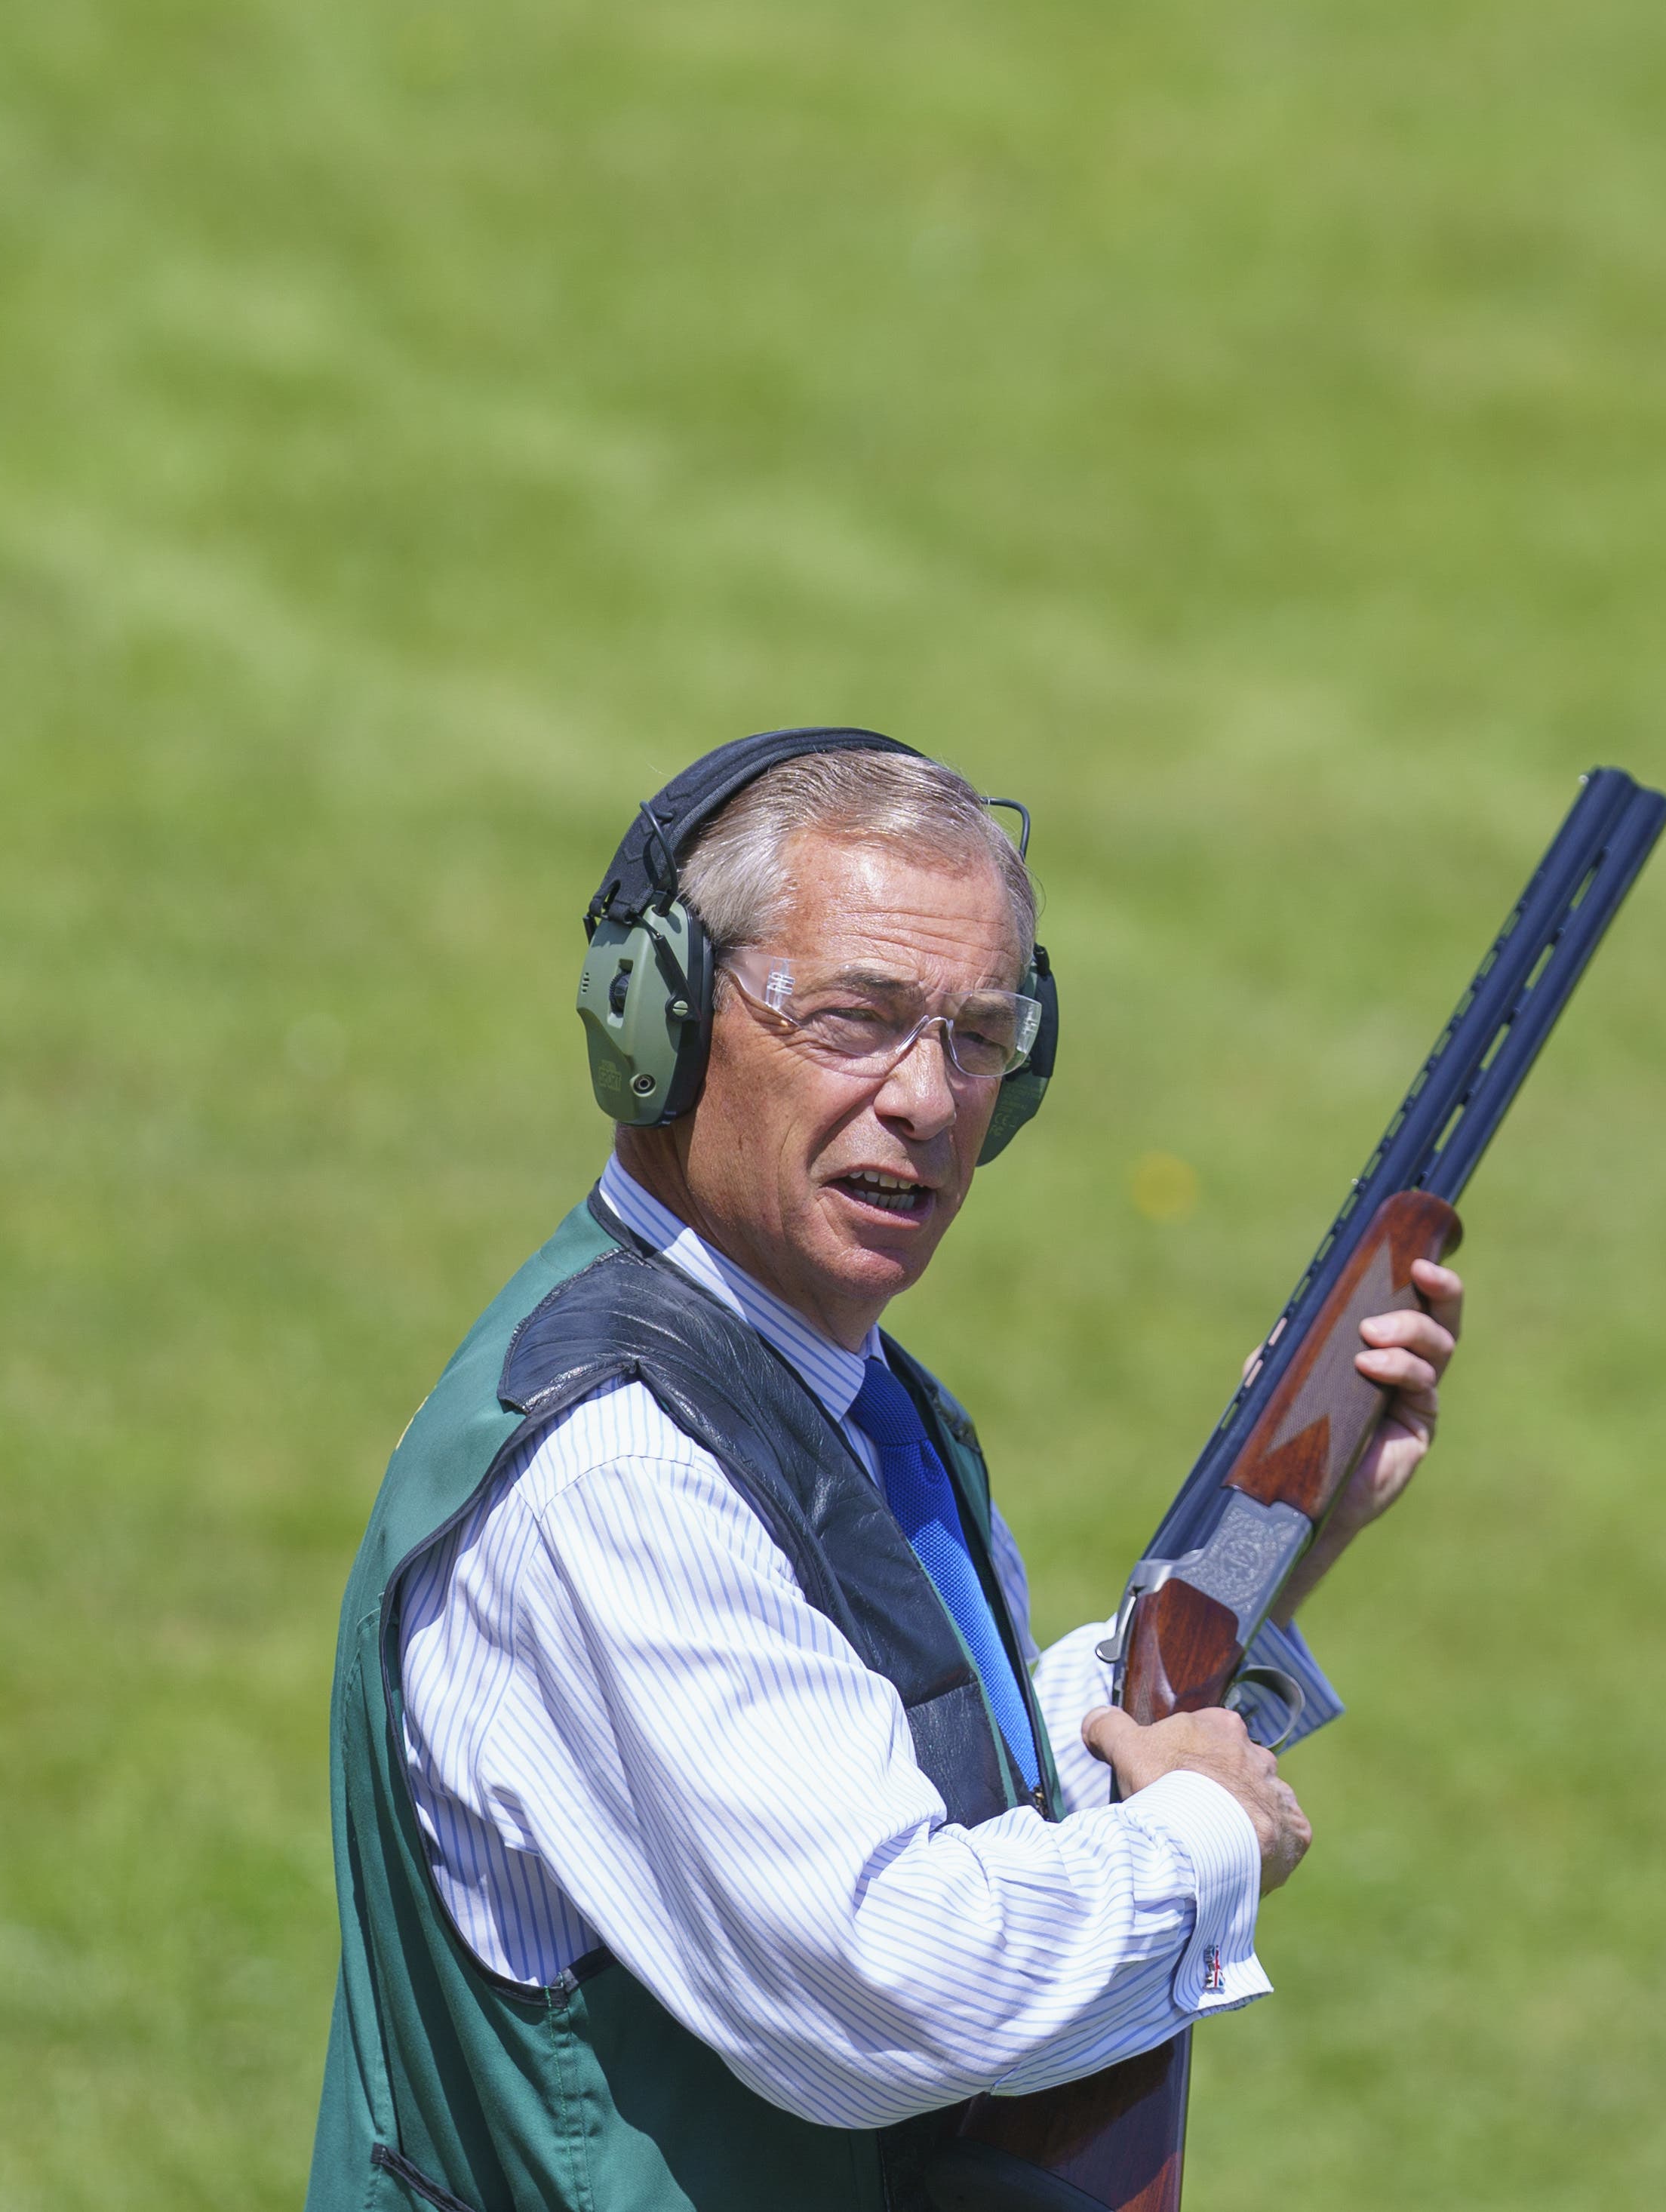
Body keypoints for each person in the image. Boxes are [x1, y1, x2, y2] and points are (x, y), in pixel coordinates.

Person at [306, 730, 1462, 2212]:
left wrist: (1264, 1543)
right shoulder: (623, 1468)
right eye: (854, 1017)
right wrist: (1205, 1834)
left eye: (976, 1035)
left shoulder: (833, 1384)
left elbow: (917, 1778)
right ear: (653, 1021)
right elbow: (887, 1976)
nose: (926, 1096)